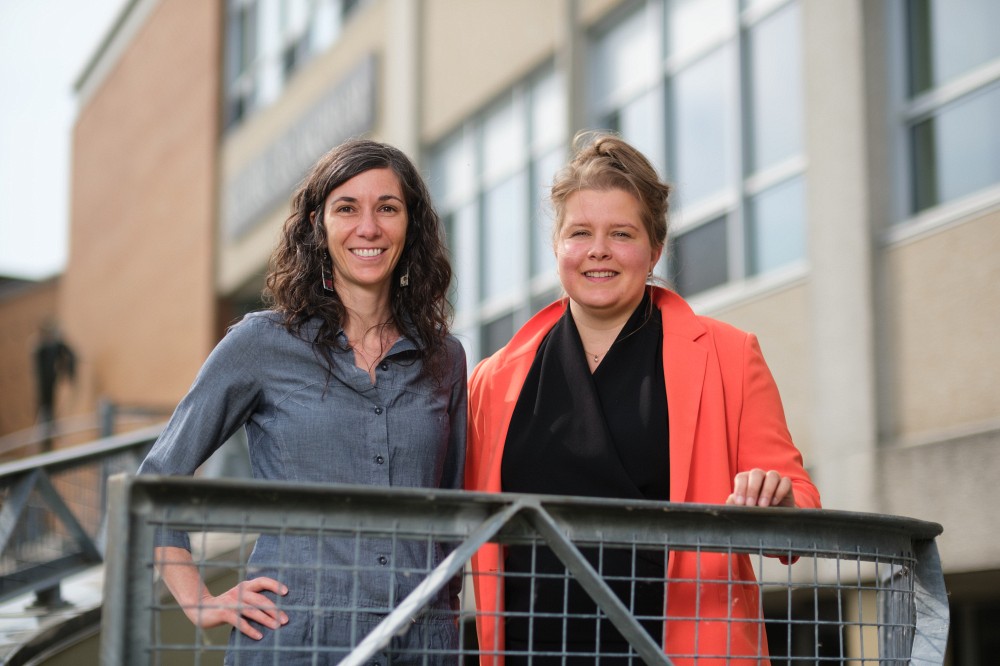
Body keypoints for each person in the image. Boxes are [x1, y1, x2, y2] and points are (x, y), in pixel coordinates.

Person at [465, 132, 821, 664]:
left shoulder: (729, 355)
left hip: (674, 653)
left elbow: (801, 515)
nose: (598, 250)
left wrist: (780, 501)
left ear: (655, 249)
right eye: (579, 232)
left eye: (622, 233)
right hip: (529, 652)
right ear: (558, 246)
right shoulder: (492, 381)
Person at [138, 138, 467, 664]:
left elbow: (451, 516)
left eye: (388, 208)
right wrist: (197, 600)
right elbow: (154, 483)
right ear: (318, 224)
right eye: (346, 208)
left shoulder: (445, 358)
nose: (369, 228)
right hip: (296, 640)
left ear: (411, 226)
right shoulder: (260, 343)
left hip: (422, 643)